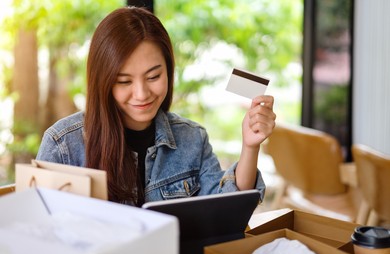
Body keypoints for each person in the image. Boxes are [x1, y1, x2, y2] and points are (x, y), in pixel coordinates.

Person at [36, 6, 276, 207]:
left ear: (169, 71)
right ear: (103, 82)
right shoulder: (63, 146)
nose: (141, 94)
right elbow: (39, 234)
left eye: (153, 77)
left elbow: (227, 209)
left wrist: (250, 146)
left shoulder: (192, 139)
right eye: (124, 81)